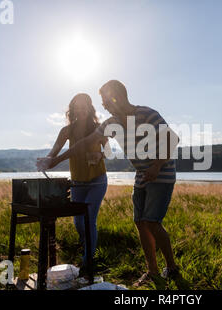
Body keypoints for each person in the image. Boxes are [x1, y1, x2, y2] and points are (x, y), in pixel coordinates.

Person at [37, 80, 181, 288]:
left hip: (162, 171)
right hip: (142, 174)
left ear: (118, 96)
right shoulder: (112, 123)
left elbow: (172, 139)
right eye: (102, 101)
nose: (103, 104)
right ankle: (152, 271)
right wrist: (55, 160)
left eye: (105, 100)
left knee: (151, 221)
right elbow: (84, 143)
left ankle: (172, 268)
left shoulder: (147, 114)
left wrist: (157, 166)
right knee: (140, 222)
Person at [44, 93, 108, 274]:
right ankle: (88, 248)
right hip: (77, 182)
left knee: (89, 219)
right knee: (78, 222)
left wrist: (101, 155)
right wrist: (47, 160)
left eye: (84, 106)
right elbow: (53, 152)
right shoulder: (66, 131)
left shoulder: (98, 128)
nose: (81, 110)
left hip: (97, 180)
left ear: (90, 108)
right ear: (72, 110)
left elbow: (109, 151)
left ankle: (88, 261)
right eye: (77, 107)